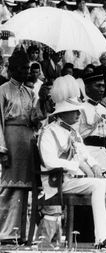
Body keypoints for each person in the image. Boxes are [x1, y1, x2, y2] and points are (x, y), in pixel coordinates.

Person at [37, 75, 106, 250]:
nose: (78, 113)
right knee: (97, 185)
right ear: (62, 112)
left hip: (71, 180)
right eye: (74, 111)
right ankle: (102, 238)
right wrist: (76, 166)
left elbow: (84, 153)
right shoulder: (49, 132)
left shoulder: (72, 133)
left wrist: (94, 165)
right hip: (56, 182)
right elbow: (49, 161)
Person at [0, 49, 39, 241]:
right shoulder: (2, 90)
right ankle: (4, 232)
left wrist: (43, 105)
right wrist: (2, 148)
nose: (26, 72)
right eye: (23, 69)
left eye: (28, 69)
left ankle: (20, 233)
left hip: (27, 139)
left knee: (24, 188)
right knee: (9, 186)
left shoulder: (30, 92)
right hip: (11, 138)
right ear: (13, 69)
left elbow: (35, 119)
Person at [79, 72, 106, 171]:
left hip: (103, 153)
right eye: (98, 86)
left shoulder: (103, 109)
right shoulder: (80, 108)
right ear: (87, 89)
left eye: (103, 86)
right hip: (88, 154)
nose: (102, 89)